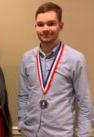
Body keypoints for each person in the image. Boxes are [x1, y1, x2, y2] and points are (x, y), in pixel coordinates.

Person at [18, 2, 92, 137]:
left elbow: (85, 104)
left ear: (60, 26)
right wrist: (22, 122)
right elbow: (23, 95)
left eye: (51, 23)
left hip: (61, 134)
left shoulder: (76, 59)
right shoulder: (27, 58)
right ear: (35, 26)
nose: (45, 29)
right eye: (40, 24)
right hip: (32, 132)